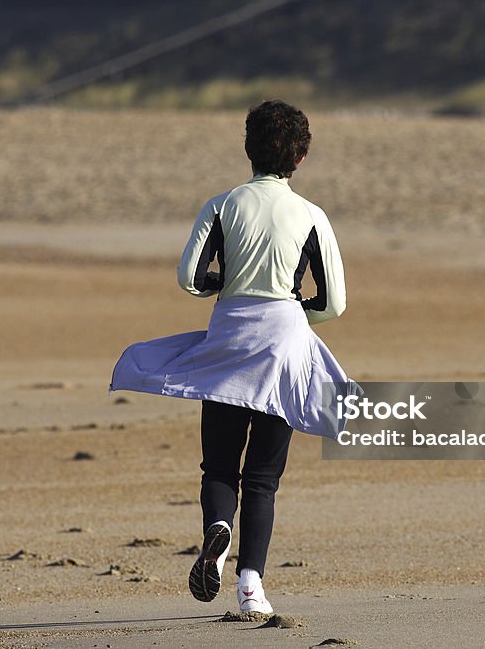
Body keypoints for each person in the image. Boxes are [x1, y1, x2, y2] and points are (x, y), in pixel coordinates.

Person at [110, 99, 351, 614]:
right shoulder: (312, 215)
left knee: (219, 466)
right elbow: (333, 304)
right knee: (263, 477)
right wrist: (288, 312)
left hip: (229, 341)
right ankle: (251, 588)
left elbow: (190, 278)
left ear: (248, 149)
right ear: (301, 157)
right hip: (284, 345)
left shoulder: (222, 205)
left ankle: (217, 530)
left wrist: (227, 288)